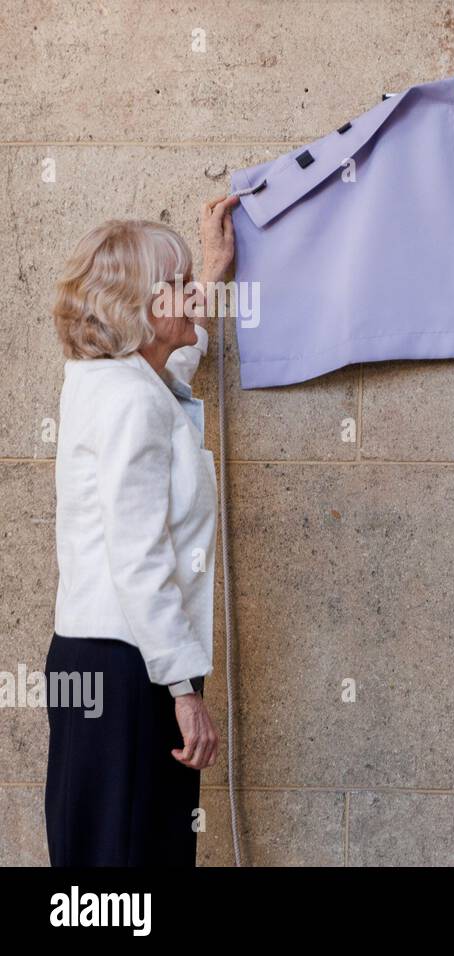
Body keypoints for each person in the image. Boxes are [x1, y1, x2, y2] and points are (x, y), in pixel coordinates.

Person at [46, 196, 240, 866]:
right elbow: (139, 557)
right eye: (180, 286)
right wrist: (185, 694)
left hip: (114, 658)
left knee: (114, 857)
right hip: (131, 669)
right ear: (147, 305)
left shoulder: (111, 382)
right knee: (126, 864)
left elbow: (172, 375)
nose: (191, 296)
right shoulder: (131, 401)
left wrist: (213, 276)